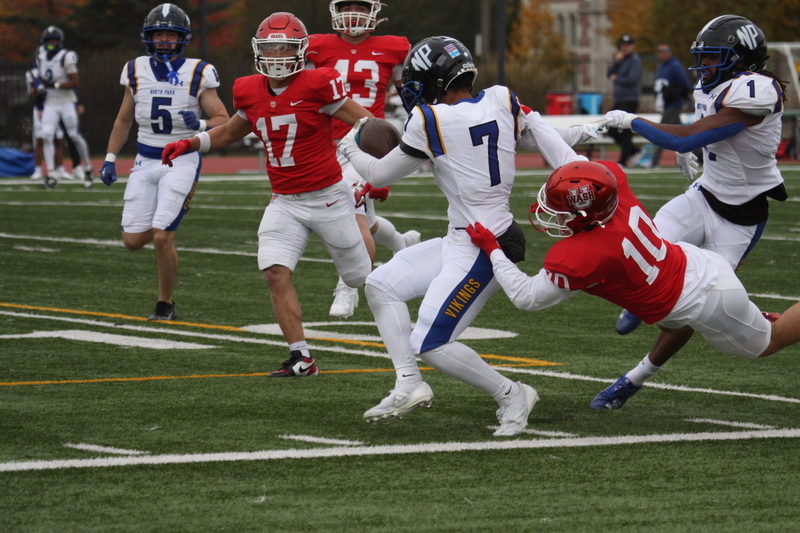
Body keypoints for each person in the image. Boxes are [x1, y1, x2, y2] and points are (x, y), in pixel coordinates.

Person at [336, 36, 599, 435]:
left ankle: (512, 393)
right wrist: (589, 132)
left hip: (483, 245)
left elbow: (377, 175)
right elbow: (538, 137)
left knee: (430, 340)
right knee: (380, 284)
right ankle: (408, 383)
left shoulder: (430, 120)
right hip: (464, 237)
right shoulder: (500, 99)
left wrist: (349, 145)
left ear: (434, 79)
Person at [466, 159, 800, 410]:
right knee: (677, 320)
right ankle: (635, 379)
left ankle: (761, 318)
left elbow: (526, 297)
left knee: (768, 342)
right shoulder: (613, 187)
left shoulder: (583, 253)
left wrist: (494, 248)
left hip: (706, 297)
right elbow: (583, 170)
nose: (554, 215)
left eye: (562, 210)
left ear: (585, 216)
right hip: (691, 268)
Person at [161, 12, 374, 376]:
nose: (276, 54)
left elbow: (366, 122)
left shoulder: (319, 83)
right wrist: (190, 142)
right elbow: (229, 132)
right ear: (258, 50)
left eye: (285, 47)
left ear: (300, 50)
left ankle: (394, 255)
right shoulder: (249, 88)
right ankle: (301, 358)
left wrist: (379, 168)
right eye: (270, 47)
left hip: (328, 196)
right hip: (285, 201)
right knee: (275, 273)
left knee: (359, 278)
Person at [601, 14, 788, 374]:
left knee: (695, 302)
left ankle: (635, 378)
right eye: (701, 57)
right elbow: (704, 136)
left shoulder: (756, 89)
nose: (703, 66)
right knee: (640, 246)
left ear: (743, 58)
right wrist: (696, 150)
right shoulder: (712, 87)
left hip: (741, 218)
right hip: (704, 194)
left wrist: (631, 121)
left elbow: (685, 135)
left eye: (712, 57)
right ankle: (637, 307)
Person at [99, 3, 230, 321]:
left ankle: (165, 304)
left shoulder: (198, 71)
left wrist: (198, 124)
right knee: (131, 241)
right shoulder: (135, 69)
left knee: (162, 235)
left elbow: (223, 119)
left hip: (181, 159)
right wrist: (110, 158)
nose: (164, 40)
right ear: (149, 36)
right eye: (159, 34)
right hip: (144, 159)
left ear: (182, 38)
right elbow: (123, 120)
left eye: (170, 34)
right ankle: (162, 221)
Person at [306, 0, 420, 320]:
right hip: (327, 144)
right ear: (334, 10)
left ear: (376, 11)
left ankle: (348, 286)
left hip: (367, 143)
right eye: (346, 6)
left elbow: (411, 95)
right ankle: (401, 242)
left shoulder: (395, 48)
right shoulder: (316, 46)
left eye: (359, 5)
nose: (352, 13)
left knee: (350, 211)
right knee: (365, 217)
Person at [35, 26, 94, 188]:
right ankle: (52, 175)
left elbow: (75, 82)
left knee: (74, 136)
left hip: (67, 101)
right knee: (46, 135)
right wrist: (41, 87)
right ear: (44, 42)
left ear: (60, 42)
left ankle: (88, 167)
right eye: (49, 41)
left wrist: (56, 84)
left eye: (54, 41)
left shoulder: (66, 56)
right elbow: (41, 78)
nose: (51, 44)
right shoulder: (41, 56)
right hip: (50, 102)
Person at [647, 43, 692, 168]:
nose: (663, 53)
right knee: (684, 133)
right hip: (667, 104)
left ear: (670, 51)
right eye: (660, 51)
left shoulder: (674, 65)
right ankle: (698, 154)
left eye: (666, 50)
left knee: (661, 131)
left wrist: (686, 98)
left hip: (674, 103)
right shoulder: (661, 67)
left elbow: (683, 83)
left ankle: (654, 161)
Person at [25, 64, 67, 182]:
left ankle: (60, 169)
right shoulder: (33, 73)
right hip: (42, 108)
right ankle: (38, 169)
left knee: (58, 138)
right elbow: (31, 92)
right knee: (40, 139)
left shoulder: (59, 70)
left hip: (57, 106)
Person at [606, 34, 642, 167]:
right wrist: (616, 62)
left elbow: (632, 80)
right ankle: (634, 151)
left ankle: (624, 159)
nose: (625, 48)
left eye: (627, 45)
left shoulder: (635, 60)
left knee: (626, 130)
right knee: (611, 129)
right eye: (623, 45)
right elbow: (609, 73)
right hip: (619, 99)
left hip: (629, 99)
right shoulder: (621, 60)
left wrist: (617, 78)